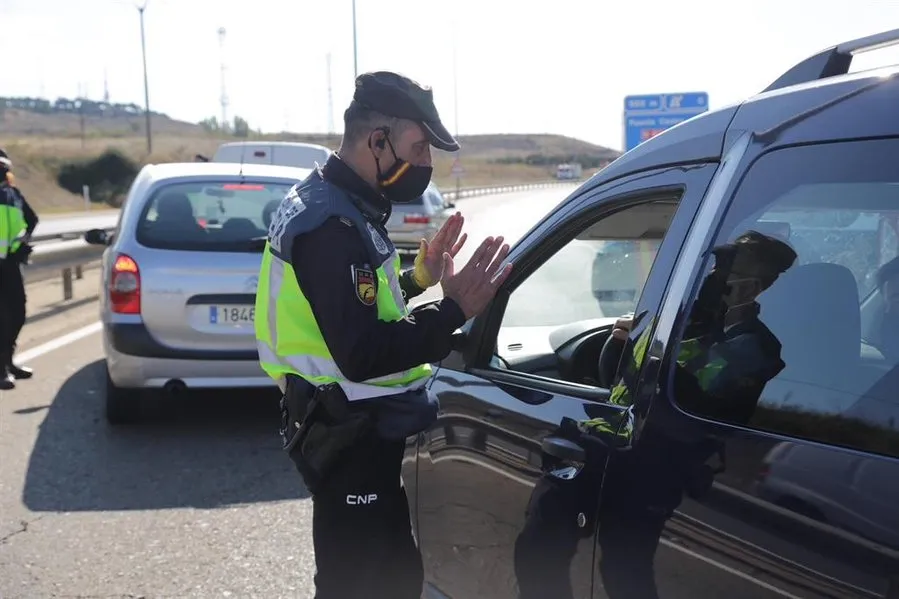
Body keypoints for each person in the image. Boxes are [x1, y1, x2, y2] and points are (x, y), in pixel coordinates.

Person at [254, 71, 513, 599]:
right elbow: (362, 350)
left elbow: (356, 304)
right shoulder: (331, 225)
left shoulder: (339, 206)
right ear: (378, 141)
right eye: (419, 147)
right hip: (347, 436)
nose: (426, 164)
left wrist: (419, 278)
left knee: (395, 578)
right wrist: (455, 308)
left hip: (354, 432)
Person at [0, 148, 39, 391]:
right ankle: (1, 368)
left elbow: (32, 220)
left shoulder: (13, 194)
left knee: (17, 313)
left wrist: (22, 243)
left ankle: (8, 361)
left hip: (10, 263)